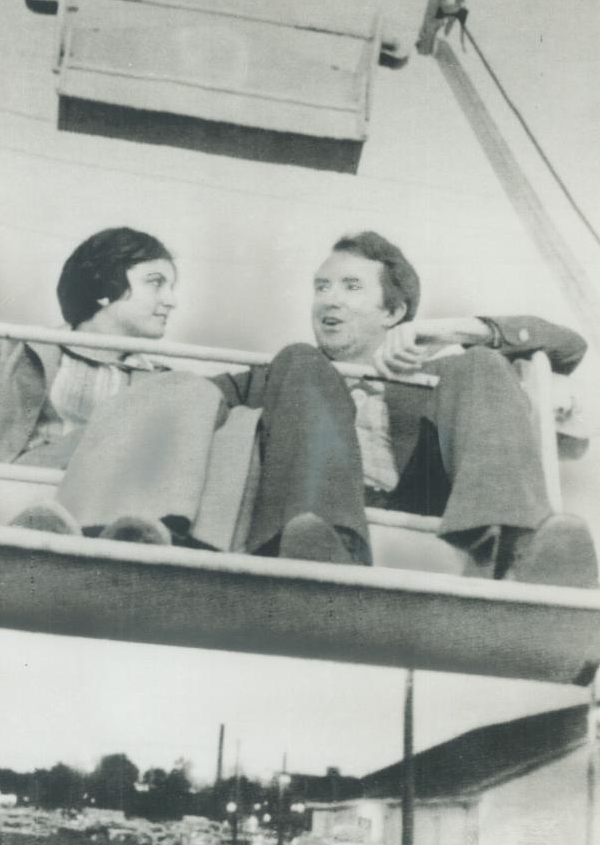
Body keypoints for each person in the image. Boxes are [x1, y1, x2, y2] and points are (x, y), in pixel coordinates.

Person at [213, 230, 598, 586]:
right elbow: (180, 396)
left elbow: (569, 347)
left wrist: (451, 331)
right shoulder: (281, 374)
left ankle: (518, 551)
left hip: (422, 495)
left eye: (351, 287)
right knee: (301, 357)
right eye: (322, 286)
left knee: (481, 362)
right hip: (307, 526)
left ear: (393, 312)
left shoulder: (443, 381)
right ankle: (327, 546)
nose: (330, 298)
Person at [0, 228, 258, 550]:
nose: (170, 301)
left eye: (171, 287)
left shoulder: (165, 383)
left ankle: (122, 536)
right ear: (104, 288)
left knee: (196, 400)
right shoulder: (17, 350)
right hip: (18, 496)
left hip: (111, 507)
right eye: (156, 283)